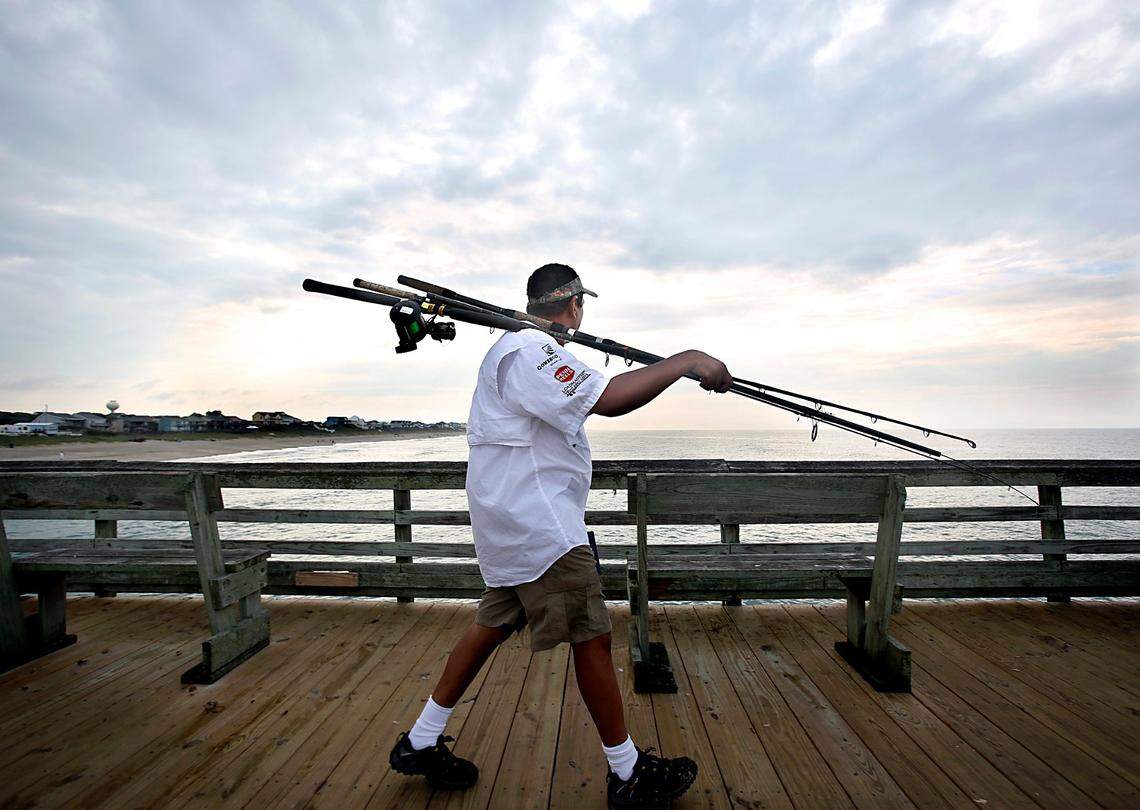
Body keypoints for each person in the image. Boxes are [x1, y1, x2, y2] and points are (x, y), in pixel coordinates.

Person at [389, 263, 733, 806]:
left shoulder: (522, 349)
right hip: (539, 524)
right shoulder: (530, 351)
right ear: (574, 304)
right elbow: (609, 398)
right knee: (592, 636)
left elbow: (583, 394)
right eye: (581, 306)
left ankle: (421, 739)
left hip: (513, 519)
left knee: (494, 621)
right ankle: (627, 773)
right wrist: (687, 361)